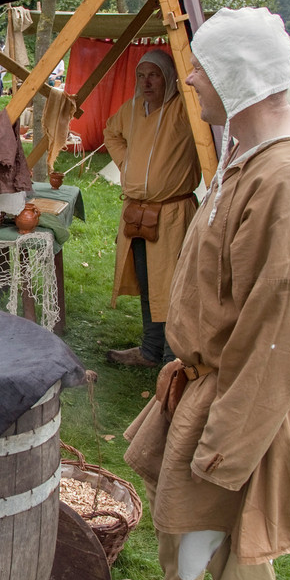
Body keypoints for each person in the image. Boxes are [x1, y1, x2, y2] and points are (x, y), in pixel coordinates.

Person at [118, 8, 290, 580]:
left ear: (239, 75)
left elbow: (278, 333)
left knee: (243, 541)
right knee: (188, 505)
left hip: (255, 394)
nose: (188, 79)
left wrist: (230, 441)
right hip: (213, 377)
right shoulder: (251, 146)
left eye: (203, 67)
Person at [103, 50, 199, 368]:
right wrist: (126, 163)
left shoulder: (185, 111)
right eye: (141, 75)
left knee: (172, 286)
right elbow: (111, 133)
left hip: (172, 213)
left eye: (153, 75)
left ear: (168, 77)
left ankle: (174, 357)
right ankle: (150, 350)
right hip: (136, 214)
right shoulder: (131, 111)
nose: (146, 82)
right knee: (147, 282)